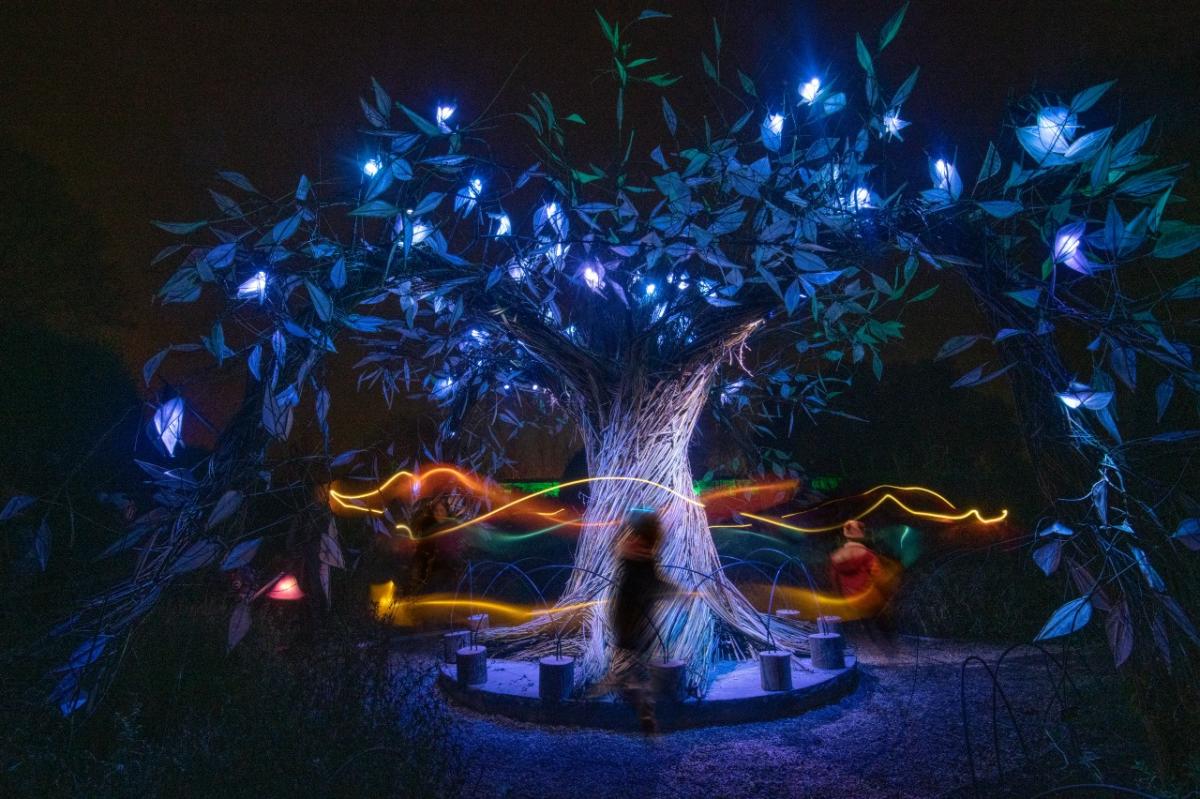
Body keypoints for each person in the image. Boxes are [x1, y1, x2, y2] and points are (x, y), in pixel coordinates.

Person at [603, 511, 671, 734]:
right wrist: (676, 591)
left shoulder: (631, 557)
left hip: (628, 618)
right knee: (636, 663)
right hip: (634, 620)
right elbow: (654, 585)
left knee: (633, 661)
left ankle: (638, 697)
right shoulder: (643, 560)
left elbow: (647, 584)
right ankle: (643, 705)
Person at [829, 519, 900, 645]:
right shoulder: (868, 556)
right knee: (883, 623)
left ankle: (869, 646)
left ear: (846, 537)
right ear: (862, 536)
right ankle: (888, 648)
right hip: (869, 599)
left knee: (864, 626)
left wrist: (841, 599)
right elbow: (879, 577)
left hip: (850, 599)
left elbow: (834, 581)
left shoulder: (835, 557)